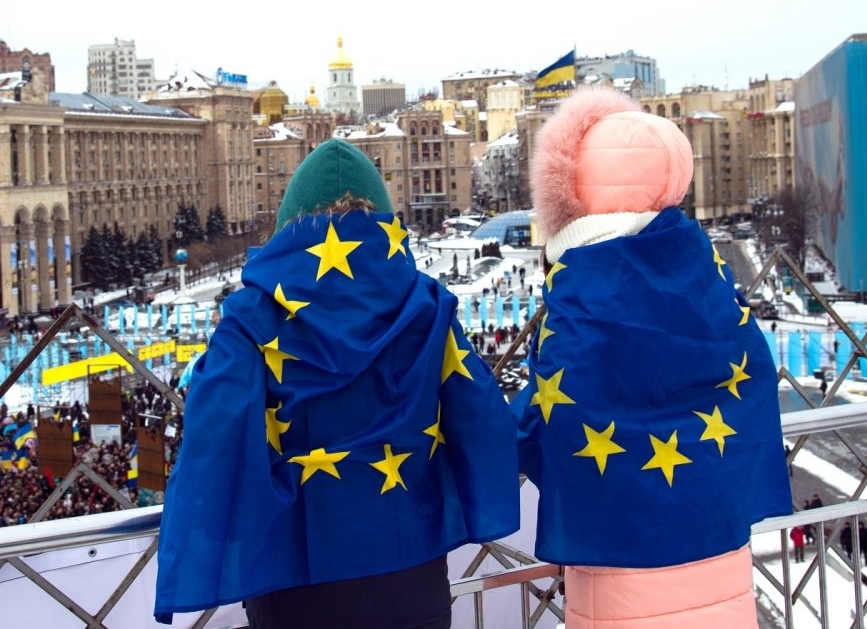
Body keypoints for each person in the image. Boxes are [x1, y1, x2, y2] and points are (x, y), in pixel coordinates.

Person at [154, 140, 520, 626]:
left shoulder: (252, 319)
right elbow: (482, 418)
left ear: (290, 224)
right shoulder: (428, 306)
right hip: (413, 574)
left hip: (298, 582)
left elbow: (213, 436)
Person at [511, 88, 791, 627]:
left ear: (573, 195)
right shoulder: (707, 275)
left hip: (623, 564)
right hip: (719, 545)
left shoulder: (584, 292)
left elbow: (553, 412)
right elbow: (752, 381)